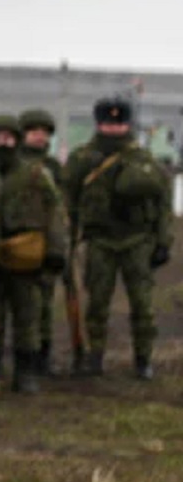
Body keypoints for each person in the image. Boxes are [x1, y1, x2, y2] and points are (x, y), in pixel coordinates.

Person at [64, 97, 172, 380]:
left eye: (120, 123)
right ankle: (95, 356)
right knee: (97, 303)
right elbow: (69, 201)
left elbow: (162, 203)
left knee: (142, 305)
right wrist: (69, 239)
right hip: (100, 240)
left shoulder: (143, 159)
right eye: (109, 124)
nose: (114, 129)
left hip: (138, 240)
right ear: (99, 124)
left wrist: (163, 242)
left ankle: (143, 359)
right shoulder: (82, 159)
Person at [0, 114, 68, 394]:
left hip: (26, 255)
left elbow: (54, 212)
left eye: (7, 138)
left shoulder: (36, 174)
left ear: (16, 140)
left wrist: (55, 251)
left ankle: (26, 372)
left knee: (27, 317)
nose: (2, 144)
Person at [17, 108, 66, 374]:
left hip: (46, 241)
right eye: (33, 132)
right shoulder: (13, 164)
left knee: (45, 303)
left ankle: (42, 357)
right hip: (19, 241)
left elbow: (61, 207)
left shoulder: (54, 168)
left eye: (43, 133)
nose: (39, 137)